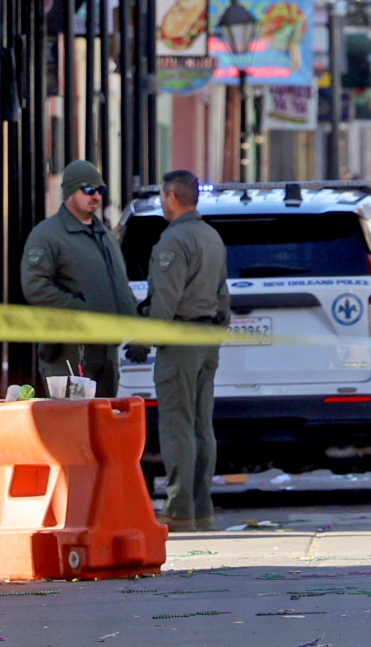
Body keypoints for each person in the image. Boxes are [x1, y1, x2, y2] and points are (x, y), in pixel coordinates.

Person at [144, 169, 228, 533]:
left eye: (163, 196)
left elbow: (165, 299)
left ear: (171, 197)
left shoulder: (173, 242)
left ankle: (179, 511)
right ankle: (201, 508)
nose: (162, 203)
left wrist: (143, 341)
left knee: (177, 426)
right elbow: (224, 296)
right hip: (207, 338)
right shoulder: (211, 237)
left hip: (179, 340)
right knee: (201, 425)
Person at [19, 159, 133, 396]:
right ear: (70, 192)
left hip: (106, 352)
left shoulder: (104, 236)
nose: (96, 196)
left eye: (100, 190)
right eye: (88, 189)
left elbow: (120, 286)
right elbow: (35, 286)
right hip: (68, 352)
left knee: (102, 424)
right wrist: (81, 310)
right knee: (71, 424)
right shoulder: (48, 235)